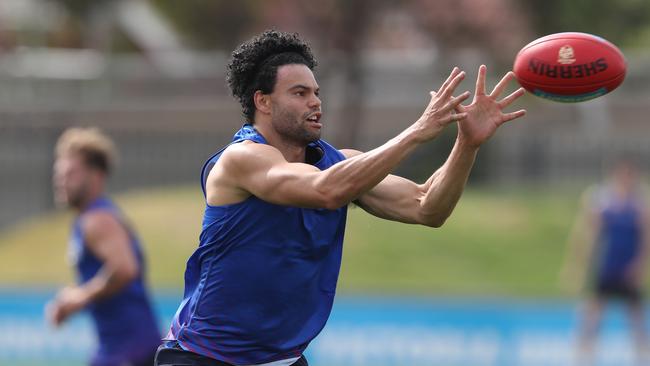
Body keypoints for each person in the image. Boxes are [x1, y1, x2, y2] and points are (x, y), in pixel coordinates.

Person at [155, 30, 526, 366]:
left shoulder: (343, 165)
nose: (315, 102)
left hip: (281, 360)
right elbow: (325, 191)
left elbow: (427, 207)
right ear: (263, 102)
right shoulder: (241, 160)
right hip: (203, 356)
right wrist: (416, 132)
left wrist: (467, 143)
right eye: (299, 93)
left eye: (316, 93)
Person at [47, 127, 162, 366]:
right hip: (121, 346)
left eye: (70, 173)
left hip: (128, 348)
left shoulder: (98, 220)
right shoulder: (89, 218)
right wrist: (72, 299)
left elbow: (124, 269)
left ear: (96, 176)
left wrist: (79, 297)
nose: (60, 181)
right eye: (58, 174)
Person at [562, 157, 650, 365]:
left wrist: (640, 266)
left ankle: (643, 356)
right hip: (607, 266)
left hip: (628, 268)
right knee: (593, 312)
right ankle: (583, 355)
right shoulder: (603, 201)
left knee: (636, 316)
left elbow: (646, 239)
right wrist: (578, 266)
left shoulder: (639, 204)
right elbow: (588, 235)